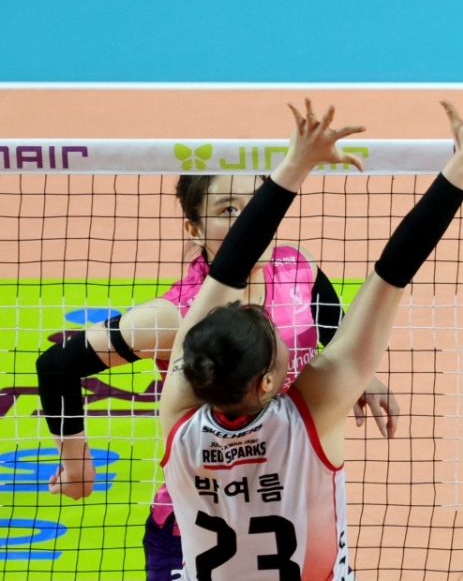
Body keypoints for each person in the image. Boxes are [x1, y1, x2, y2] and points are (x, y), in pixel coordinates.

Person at [159, 84, 463, 580]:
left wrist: (295, 167)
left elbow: (225, 271)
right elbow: (392, 272)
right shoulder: (311, 416)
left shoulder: (179, 418)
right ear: (267, 381)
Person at [36, 174, 399, 580]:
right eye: (228, 209)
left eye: (255, 203)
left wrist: (360, 377)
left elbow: (330, 320)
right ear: (194, 229)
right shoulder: (175, 315)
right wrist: (76, 466)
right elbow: (57, 365)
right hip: (200, 517)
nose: (248, 221)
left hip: (295, 503)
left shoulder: (297, 266)